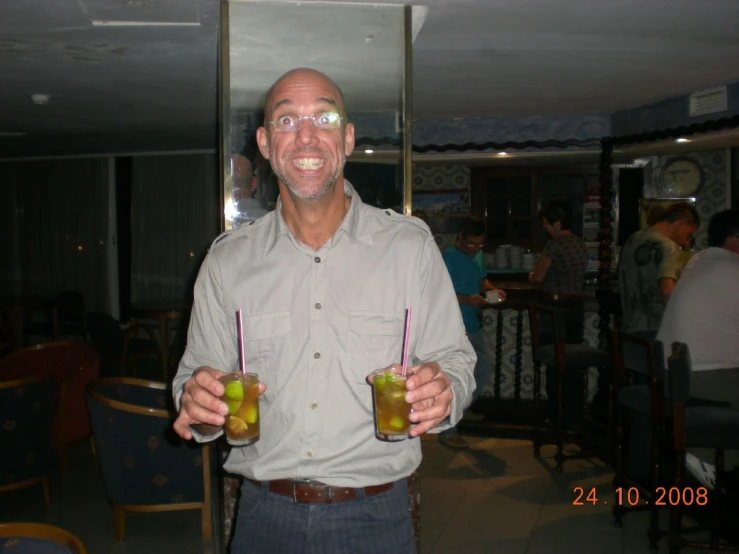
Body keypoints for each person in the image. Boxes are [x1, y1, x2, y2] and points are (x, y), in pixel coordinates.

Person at [172, 68, 476, 554]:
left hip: (379, 515)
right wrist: (200, 407)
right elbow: (197, 386)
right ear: (266, 143)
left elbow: (457, 362)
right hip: (264, 515)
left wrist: (445, 392)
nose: (306, 135)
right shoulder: (227, 261)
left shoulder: (409, 247)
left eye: (324, 117)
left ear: (348, 138)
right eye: (287, 120)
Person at [656, 209, 739, 490]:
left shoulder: (699, 260)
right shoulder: (731, 268)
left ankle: (717, 460)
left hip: (673, 374)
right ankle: (708, 457)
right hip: (701, 377)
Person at [439, 217, 506, 450]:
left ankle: (462, 407)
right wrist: (467, 299)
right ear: (460, 237)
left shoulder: (477, 255)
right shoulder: (447, 259)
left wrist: (491, 289)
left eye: (479, 245)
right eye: (470, 245)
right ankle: (448, 430)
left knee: (483, 367)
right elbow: (439, 294)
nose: (475, 249)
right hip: (454, 325)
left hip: (472, 322)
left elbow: (480, 279)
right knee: (456, 374)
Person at [528, 200, 589, 426]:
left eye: (546, 223)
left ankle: (555, 413)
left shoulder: (554, 246)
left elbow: (538, 277)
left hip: (554, 309)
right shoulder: (580, 244)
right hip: (575, 308)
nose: (545, 227)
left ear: (557, 223)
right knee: (573, 362)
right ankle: (574, 412)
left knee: (554, 361)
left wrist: (533, 275)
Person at [618, 202, 699, 336]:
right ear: (682, 224)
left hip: (629, 331)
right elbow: (667, 291)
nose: (686, 242)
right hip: (657, 330)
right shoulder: (668, 247)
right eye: (688, 235)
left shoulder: (633, 239)